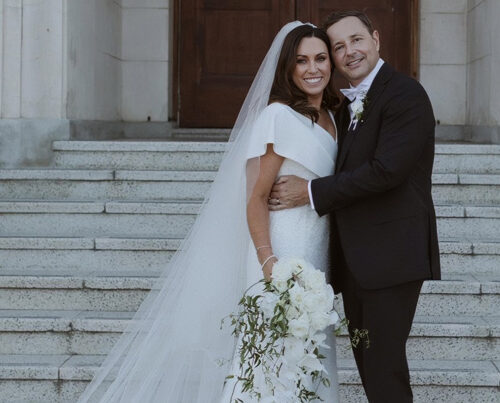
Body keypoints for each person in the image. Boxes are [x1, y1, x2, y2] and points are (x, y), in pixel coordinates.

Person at [77, 22, 341, 403]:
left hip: (317, 255)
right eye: (301, 61)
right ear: (288, 68)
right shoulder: (277, 117)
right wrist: (268, 261)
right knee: (274, 363)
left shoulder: (333, 118)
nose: (312, 68)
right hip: (281, 254)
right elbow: (255, 197)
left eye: (320, 58)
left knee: (312, 356)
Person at [269, 10, 441, 403]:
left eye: (356, 40)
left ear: (376, 39)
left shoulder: (405, 94)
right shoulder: (345, 107)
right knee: (371, 368)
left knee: (384, 370)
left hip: (392, 258)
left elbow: (386, 171)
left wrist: (311, 192)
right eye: (339, 47)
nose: (350, 52)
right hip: (359, 263)